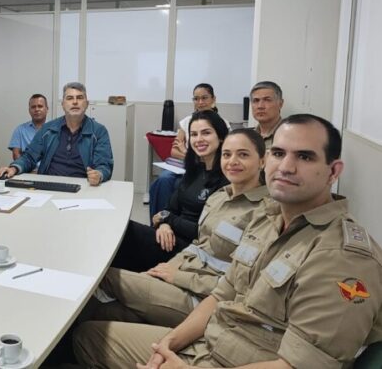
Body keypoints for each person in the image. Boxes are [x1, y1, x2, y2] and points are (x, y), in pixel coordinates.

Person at [74, 114, 382, 369]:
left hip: (234, 359)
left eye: (304, 156)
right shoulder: (269, 219)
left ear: (333, 171)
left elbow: (300, 366)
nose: (286, 167)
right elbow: (222, 294)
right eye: (278, 153)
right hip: (212, 340)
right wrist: (169, 344)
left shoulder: (342, 256)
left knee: (93, 328)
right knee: (88, 332)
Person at [92, 128, 270, 328]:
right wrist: (170, 267)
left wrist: (178, 276)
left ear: (263, 161)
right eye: (227, 155)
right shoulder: (220, 196)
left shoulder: (265, 214)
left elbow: (237, 285)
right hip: (181, 273)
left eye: (243, 155)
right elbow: (198, 244)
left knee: (100, 277)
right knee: (100, 313)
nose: (232, 161)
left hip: (201, 297)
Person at [113, 110, 229, 271]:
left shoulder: (227, 179)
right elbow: (169, 209)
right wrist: (164, 225)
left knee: (123, 235)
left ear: (221, 136)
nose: (199, 139)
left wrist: (168, 220)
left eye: (206, 133)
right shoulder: (194, 171)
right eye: (194, 134)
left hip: (192, 249)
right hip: (169, 236)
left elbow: (205, 231)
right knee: (117, 229)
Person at [0, 82, 112, 186]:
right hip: (49, 186)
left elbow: (104, 165)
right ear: (63, 104)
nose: (75, 102)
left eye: (80, 98)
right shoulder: (48, 129)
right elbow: (29, 157)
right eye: (70, 98)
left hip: (83, 187)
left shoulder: (98, 131)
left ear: (86, 104)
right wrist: (14, 168)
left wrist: (99, 175)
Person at [149, 83, 229, 222]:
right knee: (163, 180)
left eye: (204, 98)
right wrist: (189, 156)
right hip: (184, 165)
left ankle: (173, 220)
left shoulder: (222, 123)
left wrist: (189, 153)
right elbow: (174, 151)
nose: (200, 102)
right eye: (196, 99)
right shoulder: (186, 122)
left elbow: (224, 153)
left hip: (208, 165)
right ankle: (158, 221)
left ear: (213, 99)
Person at [8, 94, 49, 160]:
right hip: (27, 169)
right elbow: (16, 154)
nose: (36, 109)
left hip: (49, 169)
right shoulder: (20, 130)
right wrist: (24, 167)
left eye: (40, 106)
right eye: (33, 107)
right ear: (29, 110)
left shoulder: (55, 129)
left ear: (47, 109)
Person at [250, 80, 284, 148]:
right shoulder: (247, 137)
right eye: (256, 101)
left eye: (267, 100)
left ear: (280, 104)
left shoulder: (291, 135)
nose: (260, 106)